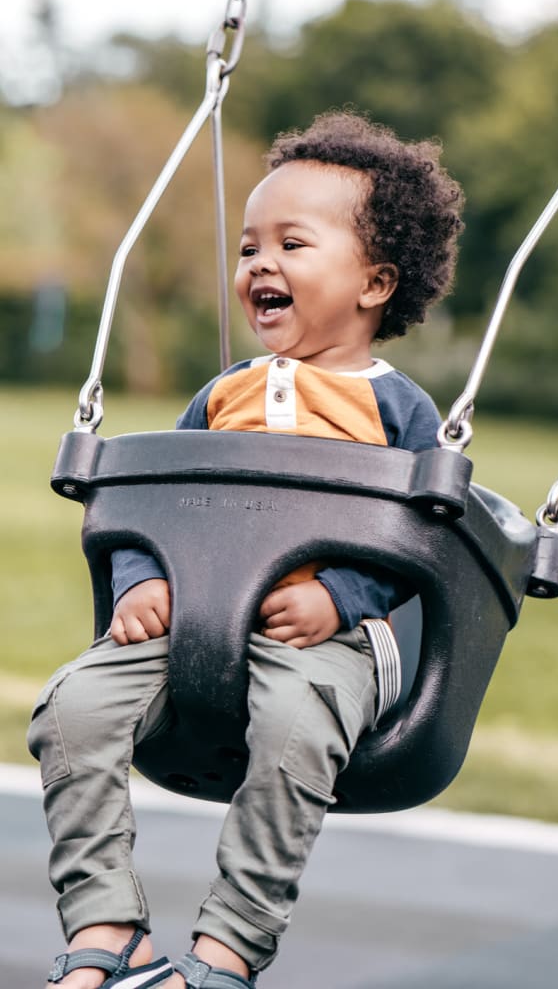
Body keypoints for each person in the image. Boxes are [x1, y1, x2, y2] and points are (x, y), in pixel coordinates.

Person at [28, 110, 464, 989]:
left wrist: (340, 595)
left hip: (329, 640)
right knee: (68, 710)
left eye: (291, 244)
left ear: (375, 282)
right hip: (193, 614)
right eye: (248, 247)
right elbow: (157, 502)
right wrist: (141, 583)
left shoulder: (400, 410)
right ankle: (107, 927)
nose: (259, 264)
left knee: (296, 733)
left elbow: (419, 539)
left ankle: (229, 947)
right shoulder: (221, 393)